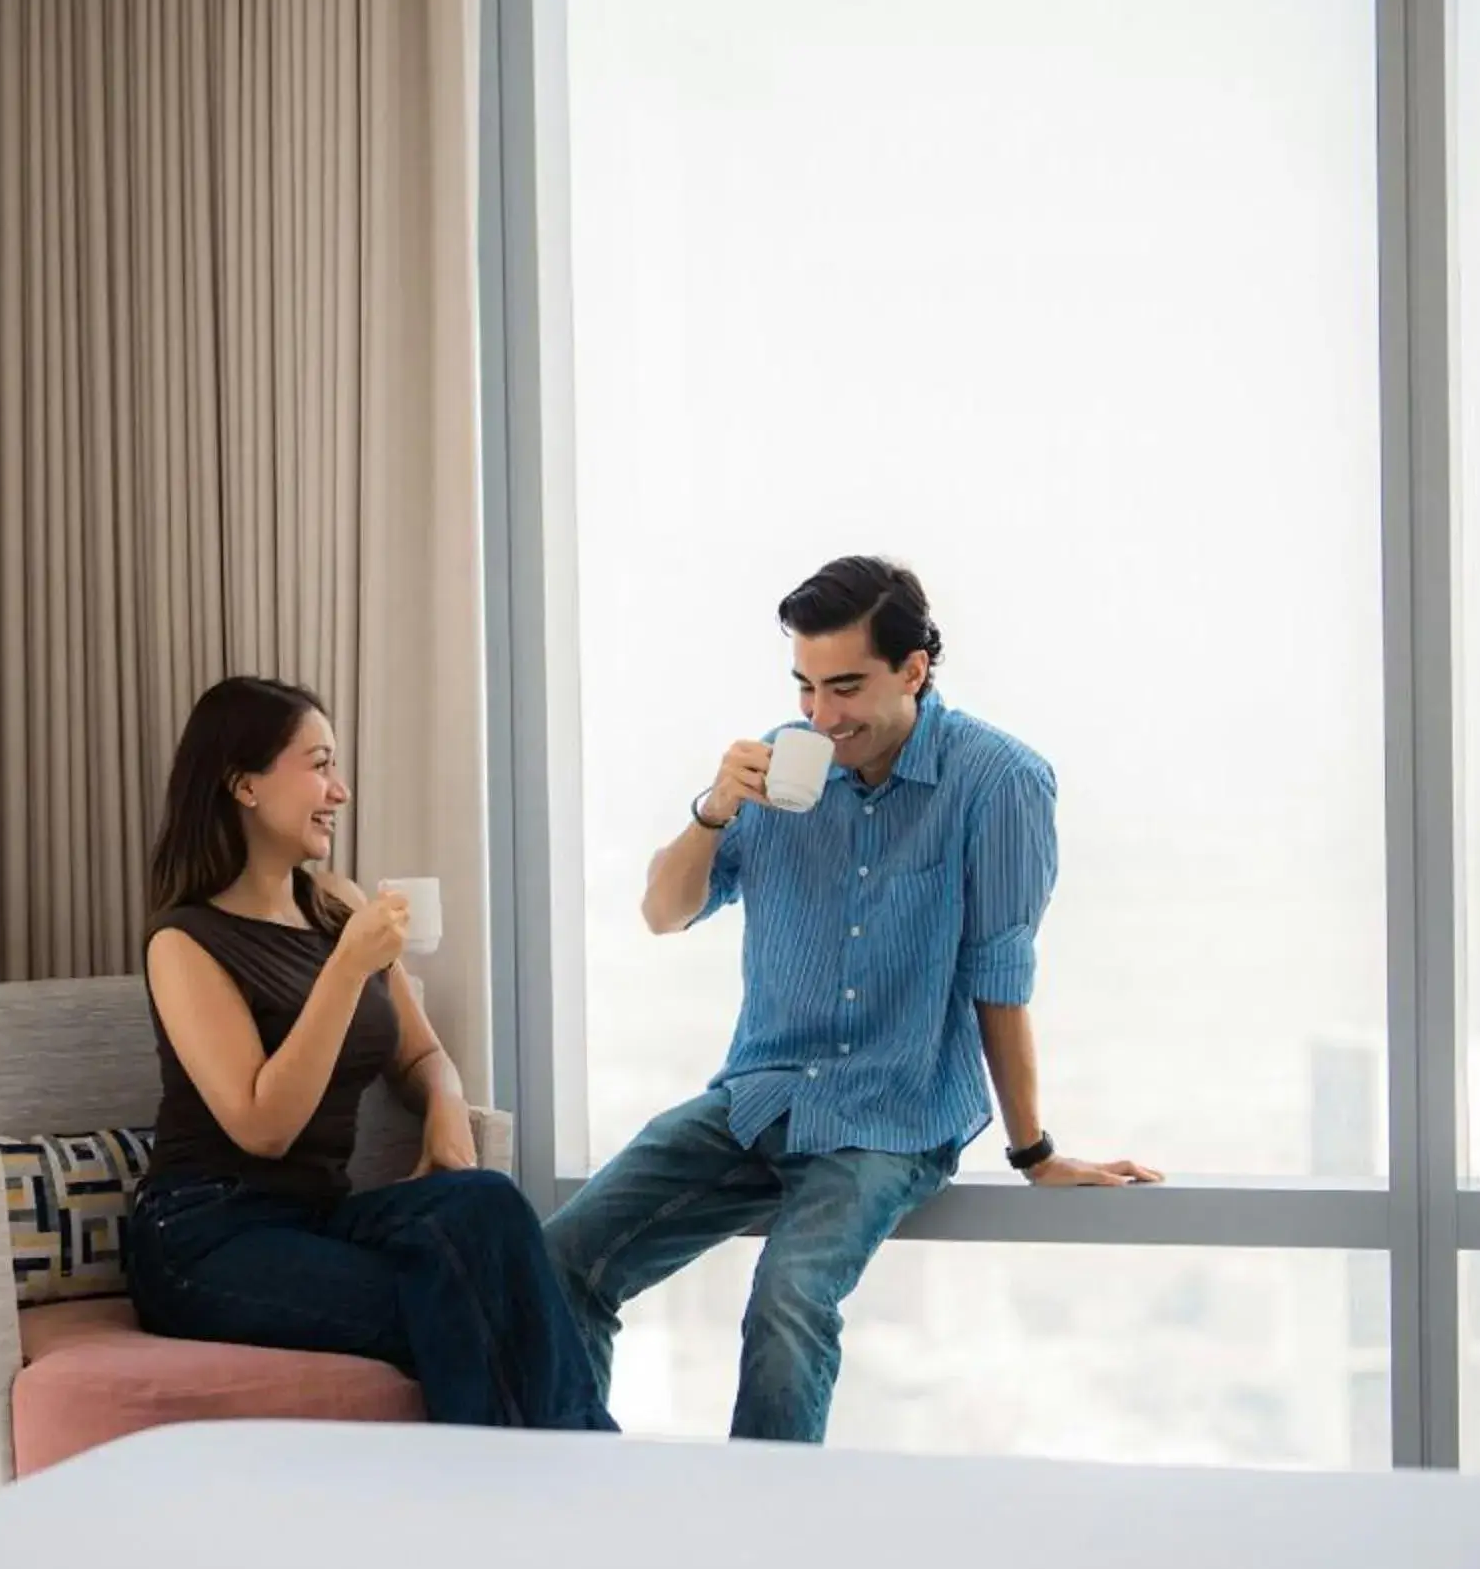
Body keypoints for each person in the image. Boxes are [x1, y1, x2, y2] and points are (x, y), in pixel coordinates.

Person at [546, 556, 1162, 1443]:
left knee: (789, 1303)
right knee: (563, 1259)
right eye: (804, 687)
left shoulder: (1000, 783)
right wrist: (714, 808)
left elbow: (1000, 976)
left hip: (892, 1111)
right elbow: (661, 913)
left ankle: (773, 1544)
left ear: (914, 670)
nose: (820, 717)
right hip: (760, 1096)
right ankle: (575, 1485)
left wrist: (1035, 1150)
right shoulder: (777, 770)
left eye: (845, 687)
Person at [130, 675, 614, 1431]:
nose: (341, 790)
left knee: (485, 1205)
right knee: (468, 1298)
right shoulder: (185, 942)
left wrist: (446, 1113)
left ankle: (545, 1492)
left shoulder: (338, 906)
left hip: (319, 1217)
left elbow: (423, 1057)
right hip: (203, 1239)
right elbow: (264, 1127)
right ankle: (571, 1484)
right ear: (244, 784)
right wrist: (348, 968)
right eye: (319, 764)